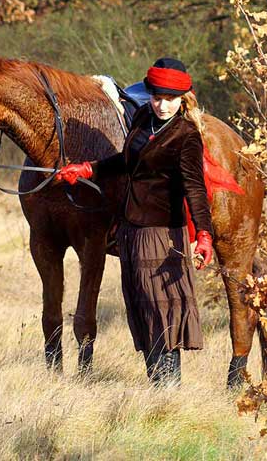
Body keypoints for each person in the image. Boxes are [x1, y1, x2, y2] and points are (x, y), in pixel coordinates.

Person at [57, 58, 213, 386]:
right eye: (156, 96)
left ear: (183, 98)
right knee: (142, 308)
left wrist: (203, 233)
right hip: (130, 230)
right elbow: (125, 161)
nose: (161, 104)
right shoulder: (143, 117)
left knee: (164, 311)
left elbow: (194, 188)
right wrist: (88, 169)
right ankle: (157, 386)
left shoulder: (186, 135)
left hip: (161, 234)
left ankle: (168, 390)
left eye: (170, 98)